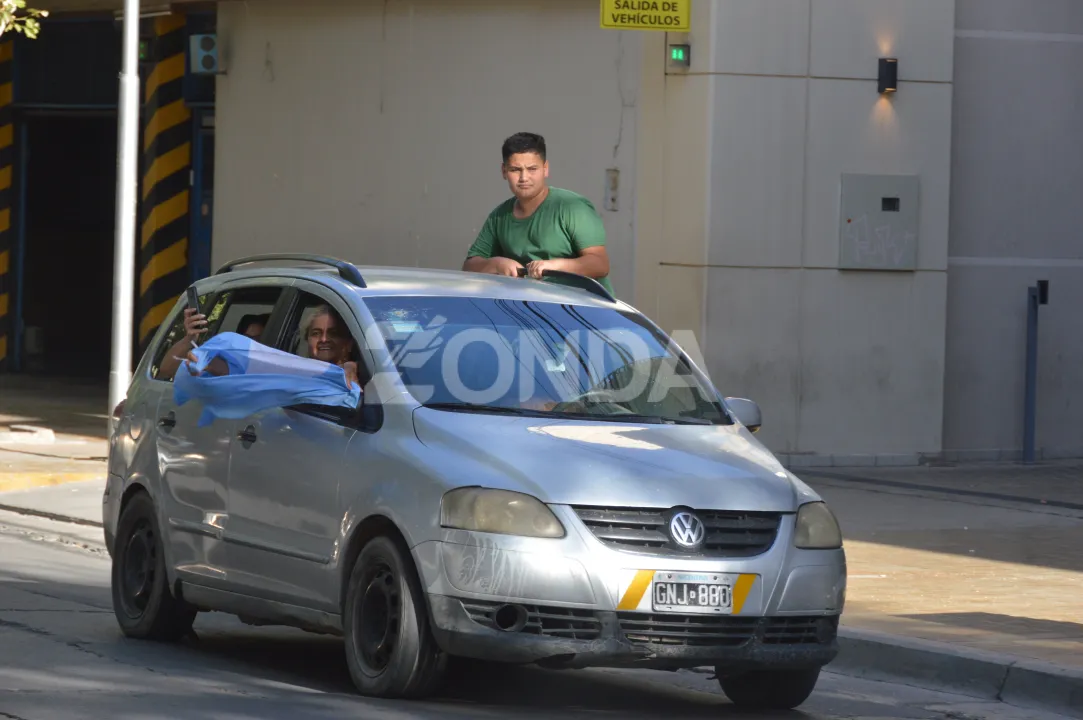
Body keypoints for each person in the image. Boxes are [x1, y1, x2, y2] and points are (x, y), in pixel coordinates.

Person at [462, 132, 614, 296]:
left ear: (545, 169)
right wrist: (496, 264)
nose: (524, 177)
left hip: (587, 312)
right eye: (515, 170)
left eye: (532, 169)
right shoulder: (499, 216)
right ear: (503, 171)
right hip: (533, 312)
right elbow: (470, 267)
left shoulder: (573, 207)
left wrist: (554, 266)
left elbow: (600, 264)